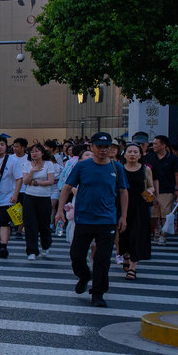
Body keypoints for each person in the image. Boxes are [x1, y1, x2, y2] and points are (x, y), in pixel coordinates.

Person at [59, 132, 128, 308]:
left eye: (106, 147)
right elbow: (67, 187)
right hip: (84, 219)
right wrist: (59, 211)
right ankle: (84, 275)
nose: (103, 150)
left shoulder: (116, 167)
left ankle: (98, 293)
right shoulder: (82, 166)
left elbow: (123, 192)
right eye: (99, 147)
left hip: (107, 220)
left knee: (102, 259)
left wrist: (123, 216)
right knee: (76, 255)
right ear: (91, 147)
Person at [116, 143, 156, 280]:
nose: (132, 154)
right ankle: (126, 255)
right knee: (124, 235)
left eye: (135, 152)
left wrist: (149, 192)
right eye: (130, 152)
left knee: (137, 235)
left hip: (140, 206)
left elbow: (151, 186)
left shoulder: (145, 169)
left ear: (140, 155)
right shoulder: (119, 168)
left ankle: (133, 267)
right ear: (125, 154)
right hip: (122, 206)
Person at [20, 142, 59, 258]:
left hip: (44, 197)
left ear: (42, 153)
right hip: (29, 197)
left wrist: (36, 182)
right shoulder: (27, 164)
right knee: (30, 224)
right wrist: (33, 171)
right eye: (32, 151)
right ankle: (32, 251)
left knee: (44, 224)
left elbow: (50, 181)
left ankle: (45, 245)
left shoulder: (48, 164)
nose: (34, 153)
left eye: (37, 151)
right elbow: (25, 181)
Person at [144, 135, 178, 246]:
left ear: (164, 145)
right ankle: (157, 230)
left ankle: (163, 235)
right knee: (154, 214)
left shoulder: (172, 158)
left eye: (156, 144)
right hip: (151, 190)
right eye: (153, 144)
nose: (154, 146)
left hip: (167, 189)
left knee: (165, 213)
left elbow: (177, 175)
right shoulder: (149, 157)